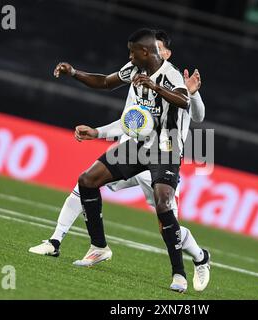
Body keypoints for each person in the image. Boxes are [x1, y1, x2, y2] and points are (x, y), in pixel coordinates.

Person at [29, 29, 209, 292]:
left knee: (164, 211)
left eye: (132, 52)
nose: (129, 56)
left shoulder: (171, 75)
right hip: (136, 146)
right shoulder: (133, 70)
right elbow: (105, 82)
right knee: (87, 180)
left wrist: (157, 87)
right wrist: (74, 73)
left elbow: (184, 101)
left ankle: (183, 271)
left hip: (166, 151)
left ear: (146, 52)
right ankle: (95, 246)